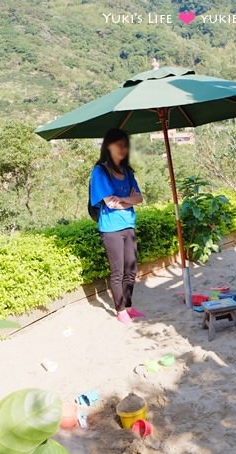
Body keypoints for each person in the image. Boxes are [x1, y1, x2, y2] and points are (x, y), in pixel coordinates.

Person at [90, 128, 144, 324]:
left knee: (131, 269)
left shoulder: (127, 172)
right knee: (118, 271)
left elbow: (139, 198)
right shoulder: (100, 171)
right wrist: (128, 200)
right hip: (110, 229)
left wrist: (124, 200)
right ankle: (120, 310)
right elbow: (109, 202)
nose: (123, 148)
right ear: (108, 146)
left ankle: (128, 306)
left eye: (125, 145)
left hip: (128, 225)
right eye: (118, 144)